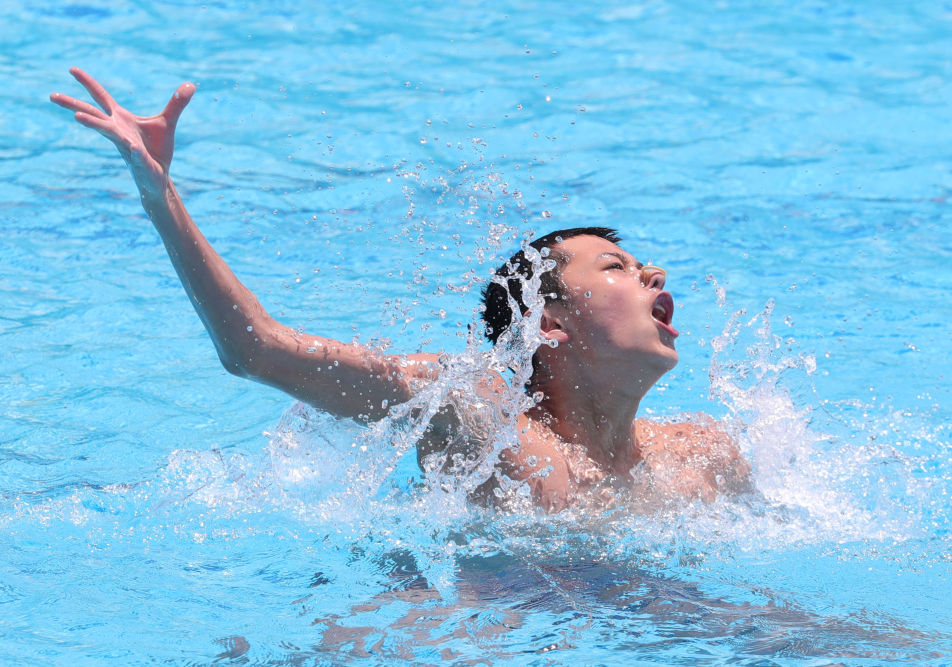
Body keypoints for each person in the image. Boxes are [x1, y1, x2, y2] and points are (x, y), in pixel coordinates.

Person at [50, 68, 750, 512]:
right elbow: (256, 350)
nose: (653, 274)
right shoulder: (480, 421)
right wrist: (161, 195)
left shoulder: (702, 458)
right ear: (549, 323)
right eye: (615, 267)